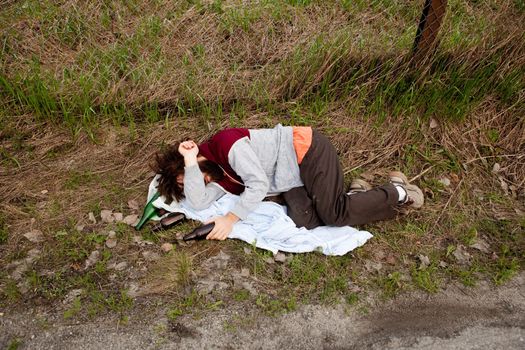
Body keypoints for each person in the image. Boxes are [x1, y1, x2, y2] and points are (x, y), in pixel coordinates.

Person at [152, 124, 423, 240]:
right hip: (292, 180)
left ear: (198, 154)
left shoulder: (225, 145)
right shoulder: (218, 178)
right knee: (304, 221)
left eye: (196, 177)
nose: (203, 181)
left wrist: (230, 219)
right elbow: (198, 202)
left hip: (307, 152)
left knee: (334, 214)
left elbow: (257, 184)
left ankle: (398, 192)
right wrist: (189, 164)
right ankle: (358, 193)